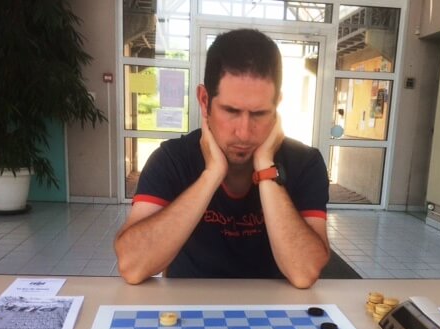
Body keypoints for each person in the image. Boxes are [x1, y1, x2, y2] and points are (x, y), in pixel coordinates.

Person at [114, 29, 330, 288]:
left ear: (277, 107)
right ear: (204, 100)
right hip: (188, 306)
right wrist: (212, 175)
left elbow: (304, 272)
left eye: (259, 113)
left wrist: (266, 167)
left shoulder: (305, 163)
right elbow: (132, 265)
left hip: (274, 307)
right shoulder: (172, 158)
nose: (244, 132)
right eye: (231, 110)